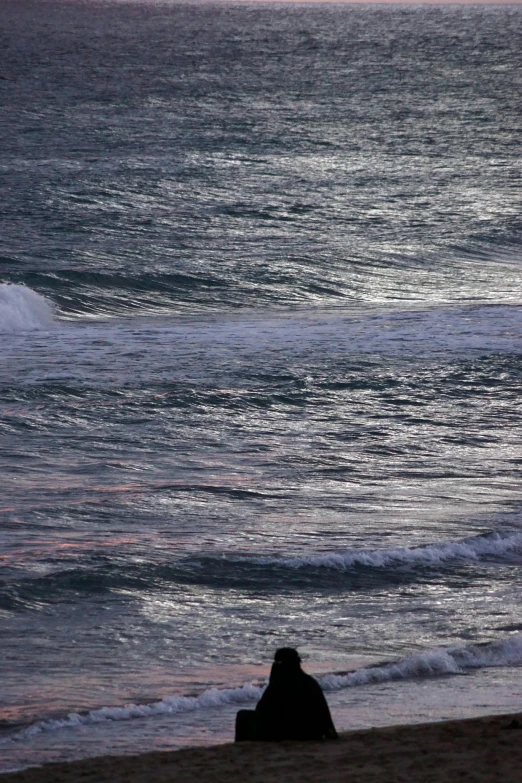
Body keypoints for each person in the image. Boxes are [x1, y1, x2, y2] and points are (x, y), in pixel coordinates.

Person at [235, 648, 338, 742]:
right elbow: (324, 713)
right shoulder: (310, 682)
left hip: (288, 733)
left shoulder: (278, 685)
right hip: (312, 733)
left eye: (277, 662)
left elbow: (263, 713)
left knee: (243, 716)